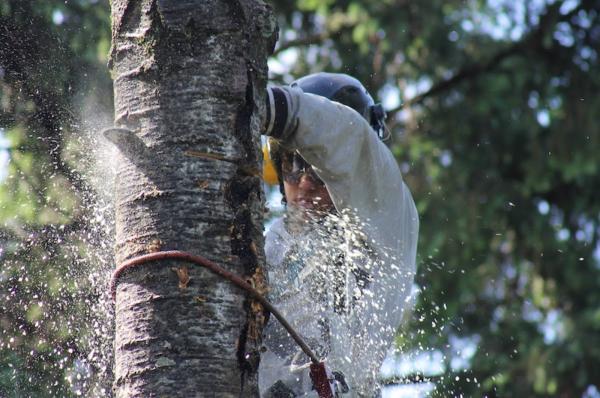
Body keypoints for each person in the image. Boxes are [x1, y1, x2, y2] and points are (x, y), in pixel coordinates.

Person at [259, 72, 419, 397]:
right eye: (292, 164)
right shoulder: (273, 243)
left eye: (319, 171)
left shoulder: (386, 219)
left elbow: (350, 139)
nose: (303, 183)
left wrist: (274, 109)